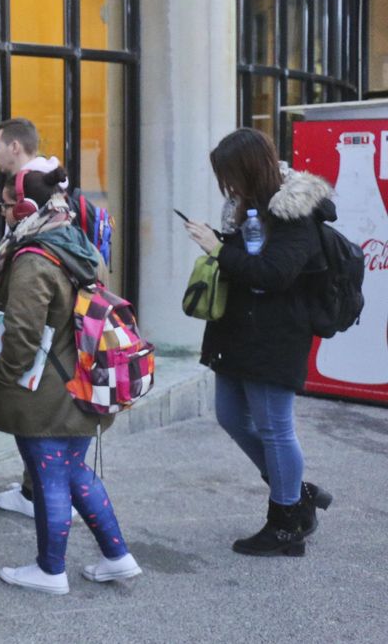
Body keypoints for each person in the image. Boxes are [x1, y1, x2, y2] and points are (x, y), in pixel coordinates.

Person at [0, 166, 141, 594]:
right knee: (74, 473)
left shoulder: (33, 258)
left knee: (50, 476)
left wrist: (1, 375)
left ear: (25, 208)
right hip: (83, 380)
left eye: (5, 205)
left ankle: (50, 570)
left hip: (48, 393)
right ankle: (118, 557)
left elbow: (22, 334)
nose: (3, 212)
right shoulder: (77, 242)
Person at [185, 128, 333, 557]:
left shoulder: (294, 212)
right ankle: (297, 493)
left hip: (275, 335)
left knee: (275, 428)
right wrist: (220, 241)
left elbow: (273, 274)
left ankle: (286, 524)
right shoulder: (244, 208)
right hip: (239, 331)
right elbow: (247, 262)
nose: (227, 186)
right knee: (231, 415)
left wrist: (217, 249)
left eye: (230, 176)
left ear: (249, 170)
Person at [0, 117, 62, 520]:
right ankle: (37, 488)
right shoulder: (51, 203)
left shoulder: (34, 249)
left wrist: (2, 372)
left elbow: (28, 323)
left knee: (35, 416)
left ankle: (41, 497)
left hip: (45, 344)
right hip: (51, 339)